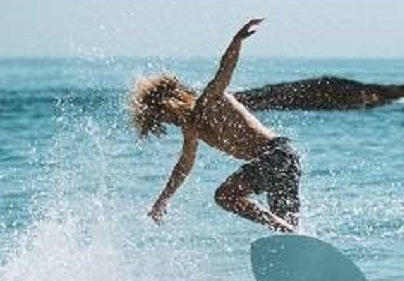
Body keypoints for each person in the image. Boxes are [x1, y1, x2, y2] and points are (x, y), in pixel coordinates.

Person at [129, 19, 300, 233]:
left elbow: (225, 70)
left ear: (172, 102)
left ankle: (286, 229)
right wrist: (163, 200)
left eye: (164, 116)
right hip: (282, 160)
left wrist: (236, 41)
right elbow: (184, 166)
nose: (168, 122)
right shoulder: (192, 129)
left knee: (226, 195)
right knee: (288, 232)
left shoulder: (209, 99)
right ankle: (295, 241)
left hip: (277, 154)